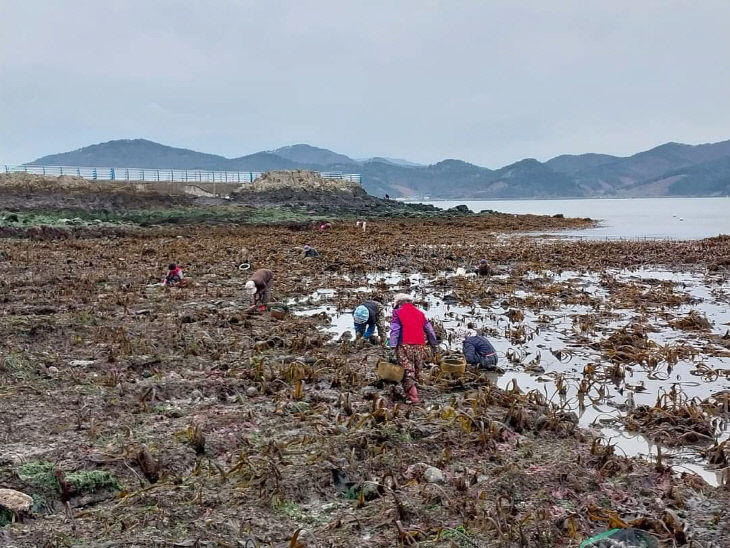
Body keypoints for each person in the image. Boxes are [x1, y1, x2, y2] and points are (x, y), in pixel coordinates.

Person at [389, 293, 438, 403]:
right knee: (416, 368)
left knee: (407, 371)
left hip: (404, 345)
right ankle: (411, 392)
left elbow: (395, 330)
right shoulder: (420, 313)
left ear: (399, 303)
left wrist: (392, 346)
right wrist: (433, 344)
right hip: (419, 346)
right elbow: (429, 330)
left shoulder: (397, 313)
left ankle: (413, 398)